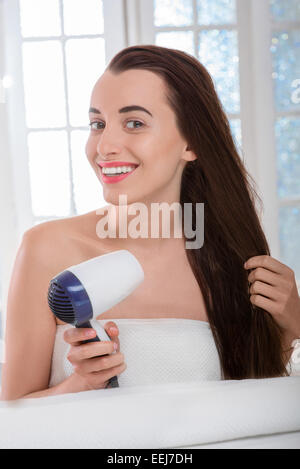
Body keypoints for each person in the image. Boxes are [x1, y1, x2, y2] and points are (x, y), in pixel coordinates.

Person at [1, 45, 300, 401]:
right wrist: (78, 386)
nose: (105, 145)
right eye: (98, 124)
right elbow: (10, 417)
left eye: (135, 123)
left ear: (191, 143)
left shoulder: (230, 263)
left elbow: (253, 408)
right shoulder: (46, 249)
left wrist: (292, 326)